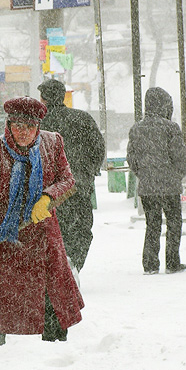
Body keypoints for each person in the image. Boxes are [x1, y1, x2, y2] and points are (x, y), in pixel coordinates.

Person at [0, 96, 84, 360]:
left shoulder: (52, 144)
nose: (23, 132)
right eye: (18, 125)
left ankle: (56, 365)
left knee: (51, 310)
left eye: (30, 126)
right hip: (3, 247)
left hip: (44, 244)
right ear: (8, 124)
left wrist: (48, 196)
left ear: (38, 126)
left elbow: (67, 179)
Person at [37, 79, 106, 275]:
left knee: (51, 231)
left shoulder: (38, 123)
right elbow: (98, 148)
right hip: (78, 185)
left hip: (47, 192)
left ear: (43, 98)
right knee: (81, 229)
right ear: (63, 96)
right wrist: (88, 172)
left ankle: (58, 268)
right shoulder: (82, 119)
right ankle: (73, 262)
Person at [126, 87, 186, 275]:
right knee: (174, 222)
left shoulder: (137, 128)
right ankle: (172, 262)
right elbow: (179, 156)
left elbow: (131, 158)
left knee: (152, 224)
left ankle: (150, 264)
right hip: (169, 186)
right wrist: (176, 174)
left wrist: (143, 174)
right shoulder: (171, 128)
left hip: (148, 186)